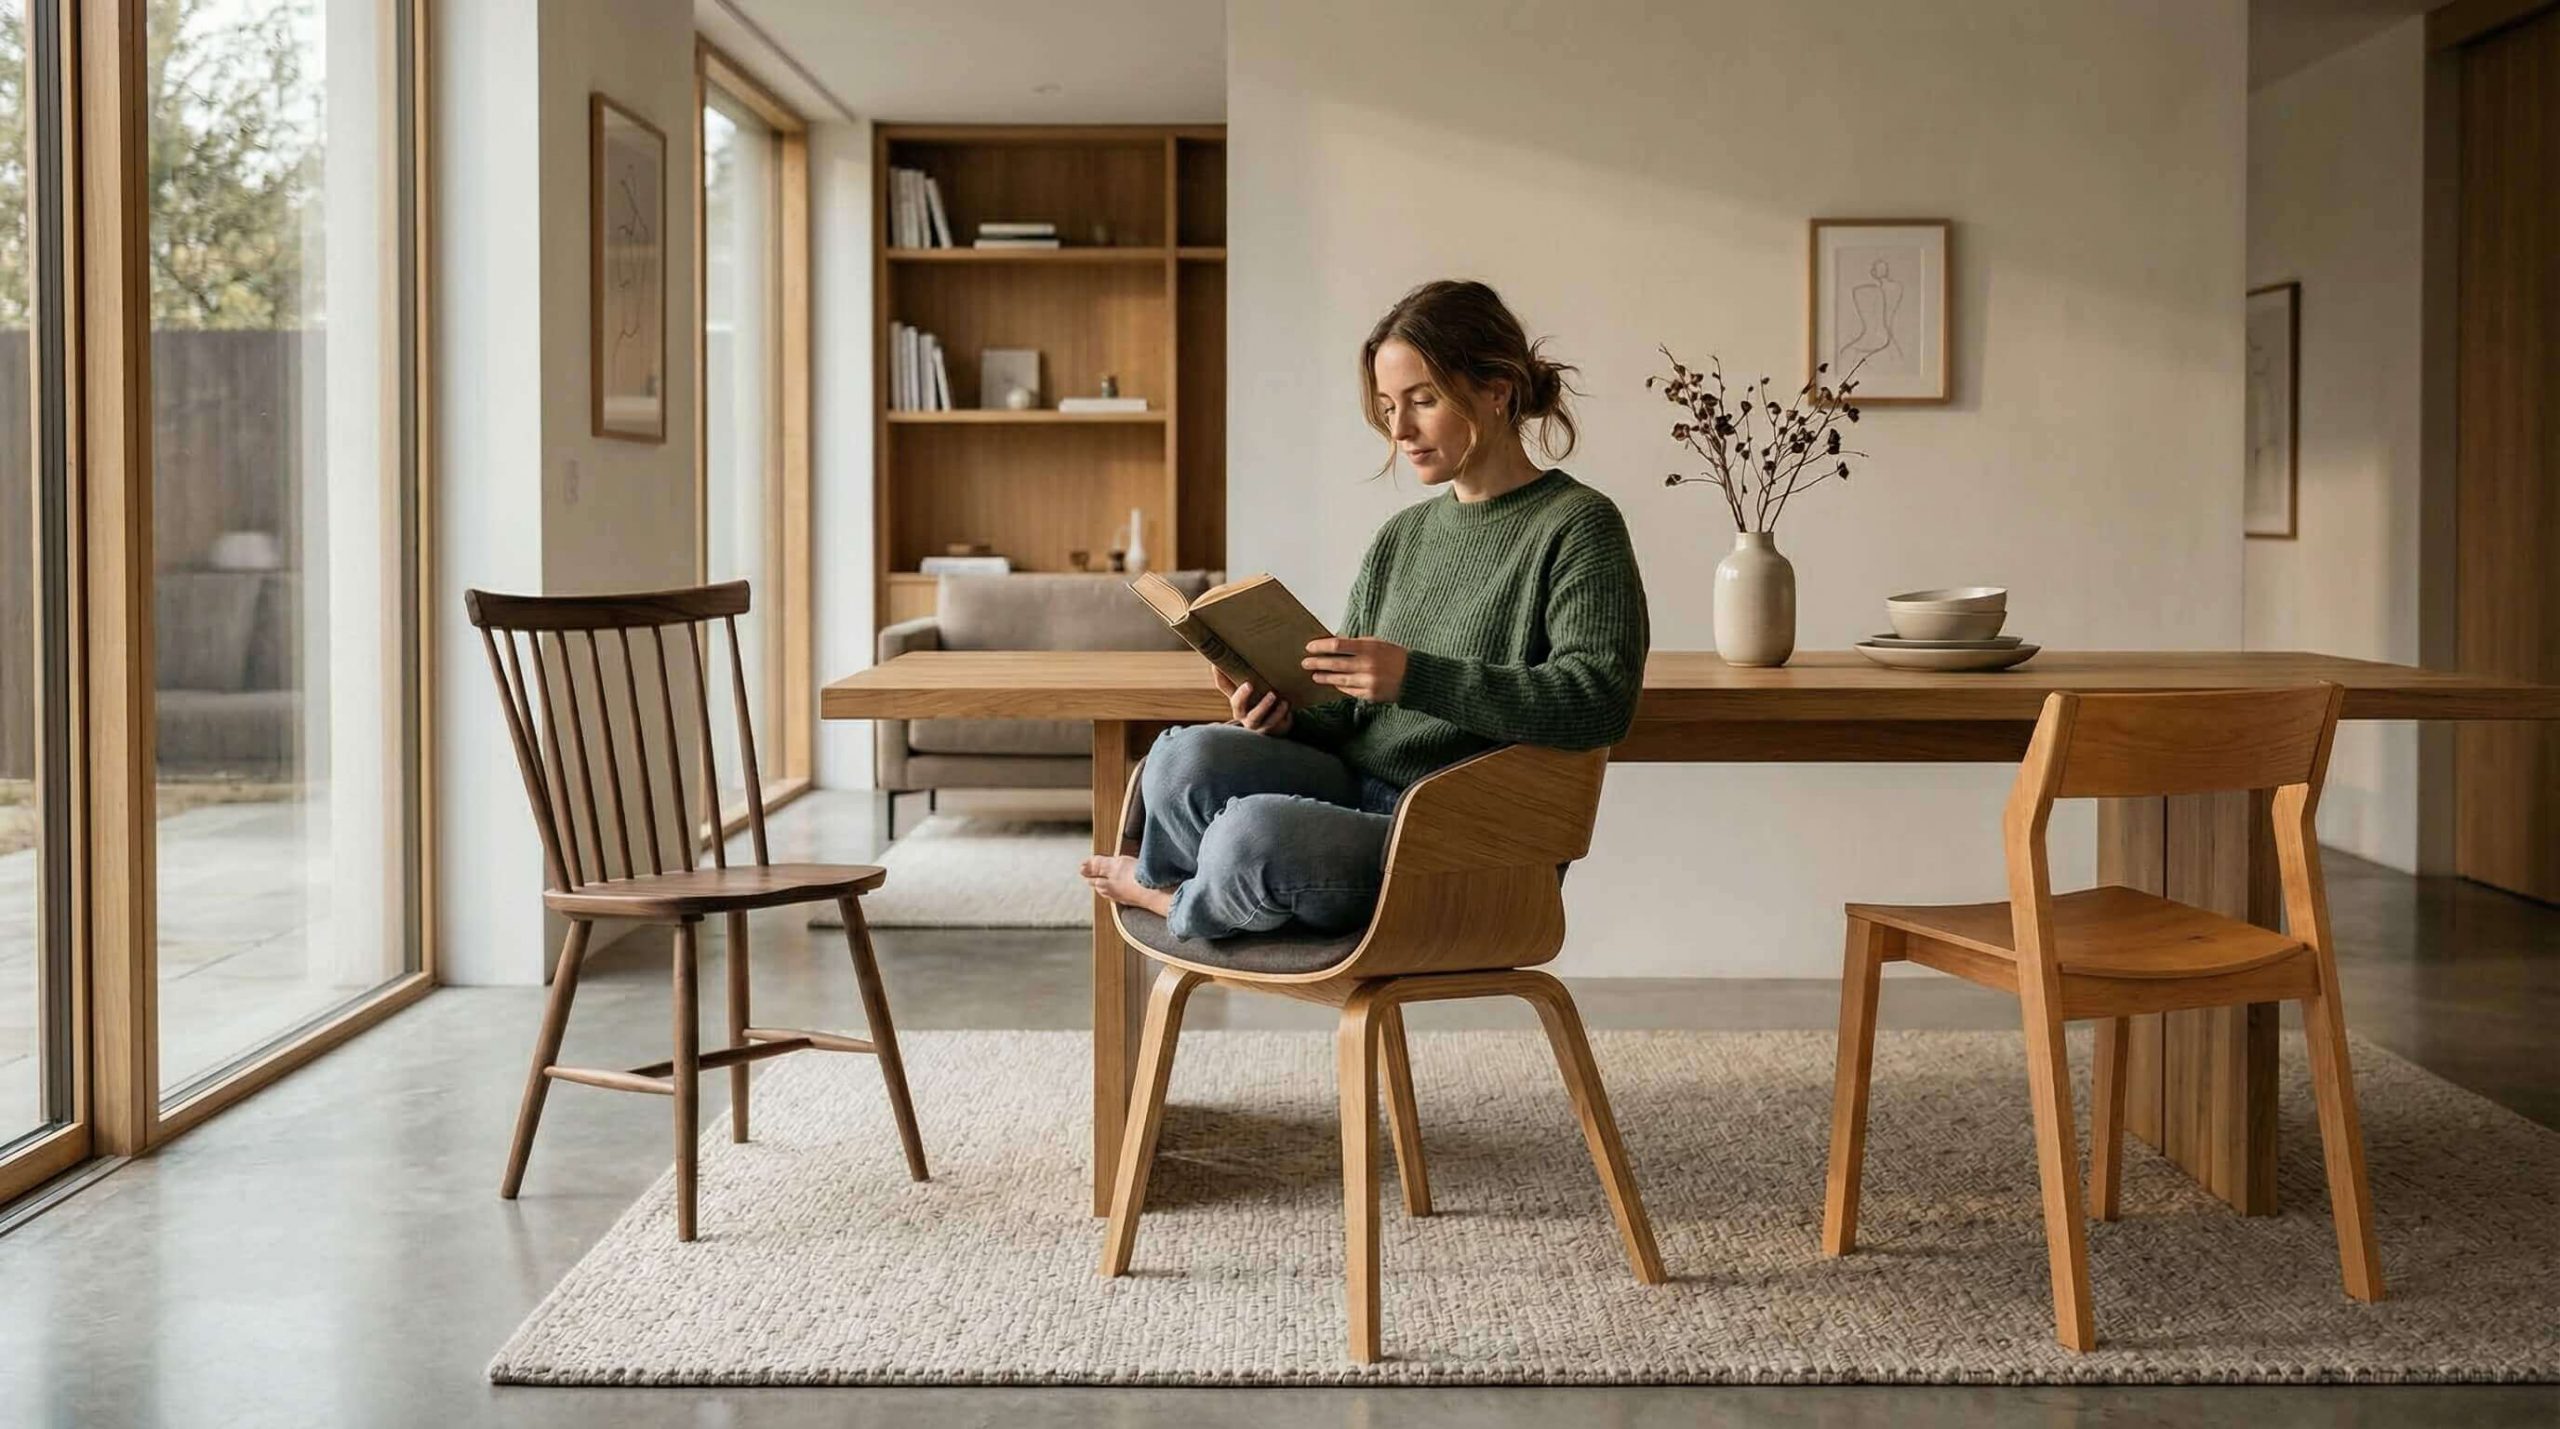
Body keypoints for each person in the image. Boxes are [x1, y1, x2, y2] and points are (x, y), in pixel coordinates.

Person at [1080, 279, 1650, 941]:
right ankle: (1205, 890)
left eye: (1423, 401)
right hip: (1354, 791)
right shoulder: (1402, 536)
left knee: (1251, 834)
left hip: (1460, 836)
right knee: (1178, 761)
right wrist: (1280, 712)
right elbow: (1350, 718)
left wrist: (1414, 676)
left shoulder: (1579, 525)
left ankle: (1177, 901)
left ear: (1498, 391)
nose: (1399, 430)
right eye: (1387, 406)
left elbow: (1600, 700)